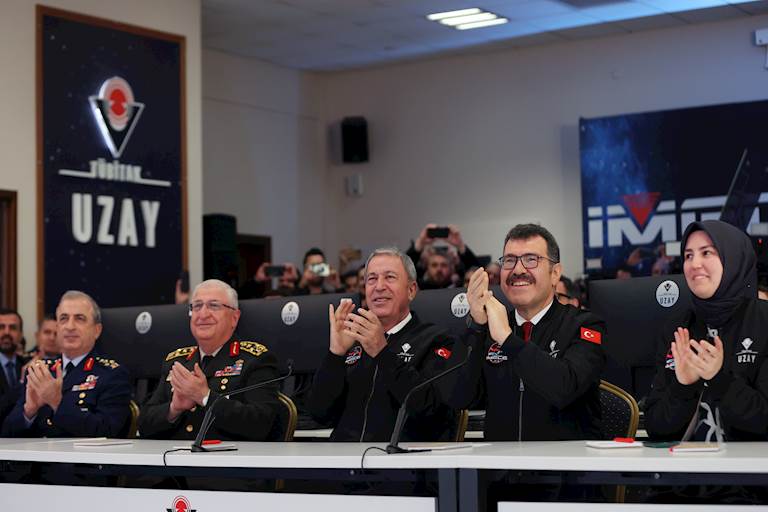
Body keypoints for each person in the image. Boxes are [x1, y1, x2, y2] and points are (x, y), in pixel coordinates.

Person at [443, 223, 605, 441]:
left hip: (564, 468)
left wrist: (508, 340)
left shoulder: (584, 325)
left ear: (555, 273)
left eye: (531, 260)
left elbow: (565, 388)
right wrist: (477, 327)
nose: (518, 270)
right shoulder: (489, 328)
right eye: (509, 260)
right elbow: (457, 397)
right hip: (500, 468)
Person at [307, 247, 459, 442]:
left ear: (411, 290)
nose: (379, 286)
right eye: (371, 279)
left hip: (401, 464)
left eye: (389, 277)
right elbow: (319, 413)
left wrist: (382, 352)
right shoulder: (353, 340)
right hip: (344, 461)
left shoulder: (438, 340)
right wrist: (335, 355)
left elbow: (431, 412)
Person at [644, 220, 768, 443]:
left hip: (753, 473)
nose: (695, 264)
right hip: (688, 473)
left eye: (706, 253)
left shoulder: (763, 321)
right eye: (689, 255)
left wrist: (719, 379)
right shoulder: (678, 327)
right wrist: (683, 387)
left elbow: (763, 421)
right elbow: (656, 429)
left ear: (733, 258)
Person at [139, 279, 281, 440]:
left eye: (214, 306)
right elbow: (143, 425)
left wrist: (205, 397)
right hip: (175, 459)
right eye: (197, 306)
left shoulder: (255, 360)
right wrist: (174, 408)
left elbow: (261, 424)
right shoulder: (177, 362)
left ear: (234, 317)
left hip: (230, 460)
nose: (203, 314)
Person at [2, 291, 131, 437]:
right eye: (63, 319)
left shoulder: (112, 374)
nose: (70, 326)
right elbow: (6, 435)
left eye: (79, 319)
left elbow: (108, 432)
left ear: (97, 330)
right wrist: (28, 411)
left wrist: (57, 403)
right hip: (35, 458)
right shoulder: (41, 371)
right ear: (57, 328)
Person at [407, 224, 480, 288]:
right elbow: (404, 270)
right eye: (434, 265)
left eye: (444, 265)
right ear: (427, 267)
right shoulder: (418, 288)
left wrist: (460, 245)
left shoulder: (459, 287)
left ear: (451, 268)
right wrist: (420, 243)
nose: (439, 269)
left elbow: (476, 271)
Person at [0, 308, 27, 427]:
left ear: (20, 335)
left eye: (12, 328)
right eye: (1, 327)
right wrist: (21, 382)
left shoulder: (27, 365)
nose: (6, 332)